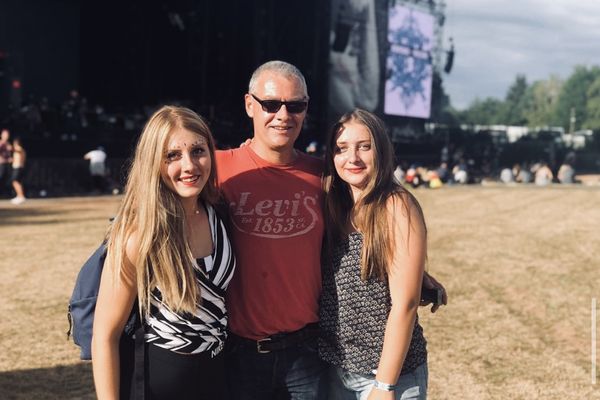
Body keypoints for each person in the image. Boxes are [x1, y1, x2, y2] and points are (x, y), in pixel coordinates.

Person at [216, 60, 445, 400]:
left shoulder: (320, 178)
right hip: (244, 355)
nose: (283, 114)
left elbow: (377, 231)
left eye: (295, 105)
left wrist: (411, 273)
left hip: (310, 355)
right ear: (250, 105)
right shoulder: (219, 169)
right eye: (271, 104)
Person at [91, 106, 236, 400]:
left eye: (198, 150)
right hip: (157, 383)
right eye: (172, 156)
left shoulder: (220, 214)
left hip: (218, 377)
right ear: (153, 162)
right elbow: (105, 336)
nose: (189, 165)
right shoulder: (138, 235)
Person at [320, 109, 429, 399]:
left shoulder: (396, 206)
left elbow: (405, 303)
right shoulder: (335, 204)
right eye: (341, 149)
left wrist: (385, 385)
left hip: (385, 375)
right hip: (334, 367)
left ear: (380, 150)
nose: (352, 158)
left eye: (364, 147)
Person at [10, 137, 26, 204]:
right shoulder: (20, 150)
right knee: (18, 182)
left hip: (18, 168)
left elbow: (16, 150)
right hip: (18, 167)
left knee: (15, 181)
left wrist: (8, 147)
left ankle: (21, 196)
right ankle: (19, 196)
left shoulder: (19, 148)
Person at [0, 128, 12, 196]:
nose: (7, 136)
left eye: (7, 134)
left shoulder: (8, 143)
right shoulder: (1, 143)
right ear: (1, 135)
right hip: (1, 164)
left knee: (6, 179)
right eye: (5, 134)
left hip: (7, 164)